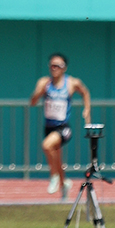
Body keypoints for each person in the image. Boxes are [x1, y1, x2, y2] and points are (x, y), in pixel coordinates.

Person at [29, 53, 91, 199]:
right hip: (49, 126)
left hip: (63, 127)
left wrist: (87, 109)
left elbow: (85, 92)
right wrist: (38, 93)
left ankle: (54, 176)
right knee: (57, 157)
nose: (54, 68)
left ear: (64, 68)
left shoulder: (71, 83)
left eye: (58, 66)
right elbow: (32, 102)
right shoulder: (44, 82)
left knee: (46, 145)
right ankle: (64, 184)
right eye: (52, 65)